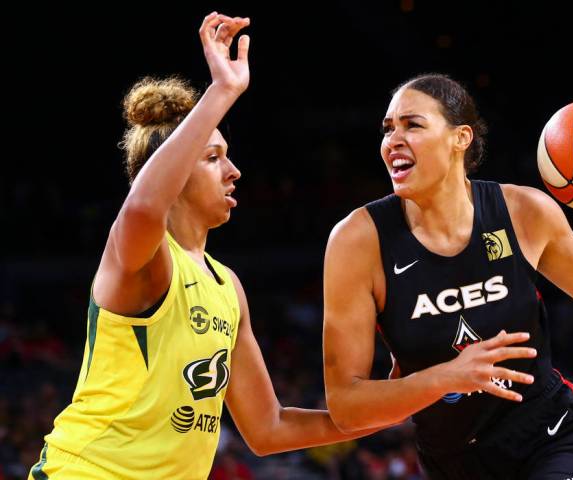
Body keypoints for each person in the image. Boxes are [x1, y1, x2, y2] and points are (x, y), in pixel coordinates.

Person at [29, 12, 377, 480]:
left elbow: (269, 428)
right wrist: (223, 91)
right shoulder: (145, 258)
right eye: (213, 158)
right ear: (169, 172)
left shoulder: (227, 286)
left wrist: (389, 409)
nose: (233, 171)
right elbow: (142, 210)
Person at [322, 73, 573, 479]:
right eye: (388, 129)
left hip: (555, 436)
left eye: (412, 124)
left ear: (460, 138)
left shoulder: (522, 212)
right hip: (454, 462)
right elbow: (346, 407)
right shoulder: (358, 241)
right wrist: (446, 376)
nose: (393, 139)